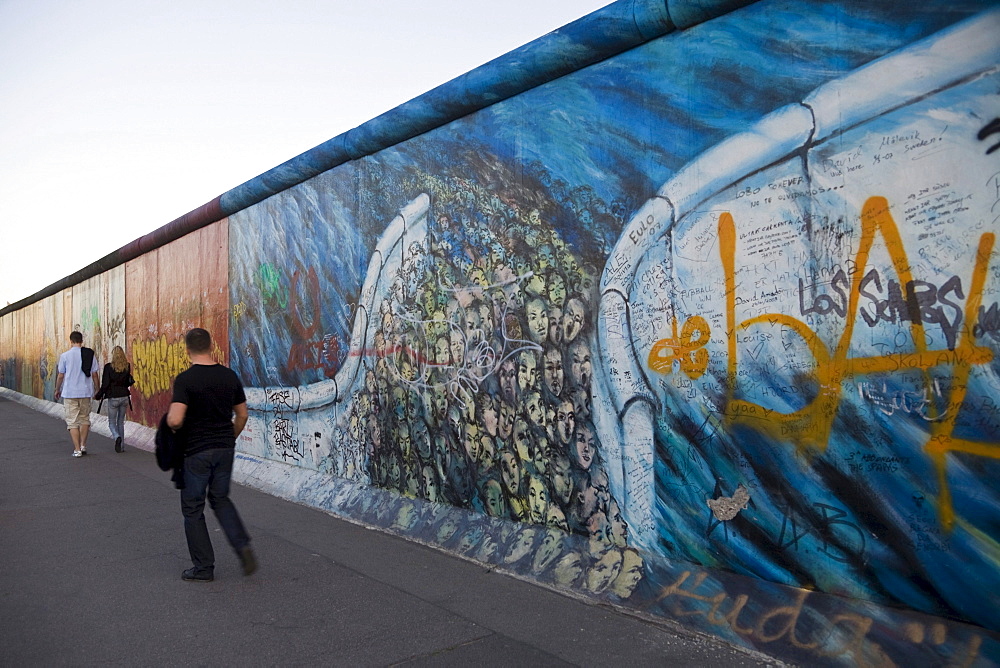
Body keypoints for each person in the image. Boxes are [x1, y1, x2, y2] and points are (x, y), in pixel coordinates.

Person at [167, 328, 256, 582]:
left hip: (196, 452)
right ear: (211, 346)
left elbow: (175, 419)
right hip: (224, 448)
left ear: (187, 351)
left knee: (193, 508)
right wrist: (230, 437)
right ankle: (242, 546)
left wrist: (174, 427)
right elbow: (242, 415)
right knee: (220, 499)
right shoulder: (229, 376)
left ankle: (204, 567)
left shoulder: (186, 379)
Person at [54, 331, 100, 457]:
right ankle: (84, 445)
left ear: (71, 341)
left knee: (72, 421)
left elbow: (61, 375)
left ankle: (77, 449)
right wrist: (97, 389)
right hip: (85, 392)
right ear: (82, 340)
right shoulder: (90, 355)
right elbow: (95, 374)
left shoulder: (65, 356)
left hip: (70, 392)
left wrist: (57, 389)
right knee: (85, 419)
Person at [97, 345, 133, 452]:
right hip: (125, 397)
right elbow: (127, 382)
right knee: (120, 422)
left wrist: (99, 395)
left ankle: (116, 436)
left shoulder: (108, 367)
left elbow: (105, 384)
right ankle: (121, 447)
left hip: (113, 398)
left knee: (112, 422)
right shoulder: (127, 366)